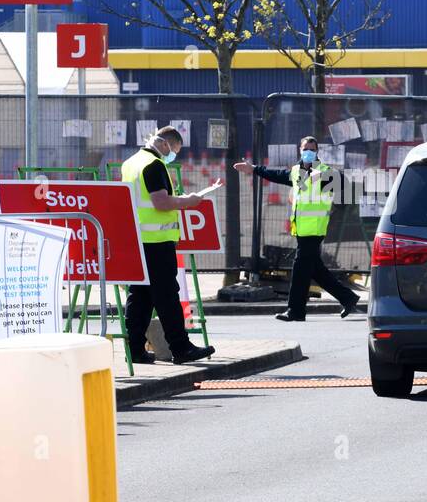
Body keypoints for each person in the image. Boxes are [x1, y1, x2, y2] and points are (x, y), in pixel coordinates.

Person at [120, 126, 221, 363]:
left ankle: (134, 350)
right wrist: (190, 201)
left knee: (140, 296)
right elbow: (161, 202)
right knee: (167, 296)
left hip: (138, 240)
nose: (172, 154)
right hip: (157, 241)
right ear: (166, 144)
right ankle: (181, 348)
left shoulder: (130, 163)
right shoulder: (154, 164)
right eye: (174, 149)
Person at [234, 136, 360, 322]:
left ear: (317, 152)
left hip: (314, 231)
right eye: (305, 149)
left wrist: (336, 211)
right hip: (301, 230)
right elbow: (276, 175)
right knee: (316, 270)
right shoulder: (296, 172)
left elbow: (347, 190)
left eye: (312, 149)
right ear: (300, 151)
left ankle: (295, 311)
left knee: (300, 269)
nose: (308, 152)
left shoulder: (324, 173)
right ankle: (348, 298)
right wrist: (253, 169)